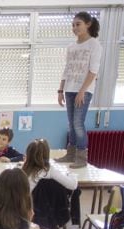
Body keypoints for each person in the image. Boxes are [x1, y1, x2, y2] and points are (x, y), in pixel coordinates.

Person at [56, 12, 102, 168]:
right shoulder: (71, 46)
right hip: (69, 89)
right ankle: (70, 154)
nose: (75, 28)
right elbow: (67, 69)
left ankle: (81, 158)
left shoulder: (94, 44)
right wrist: (60, 90)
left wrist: (82, 91)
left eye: (78, 24)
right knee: (71, 123)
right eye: (73, 25)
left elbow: (93, 71)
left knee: (78, 123)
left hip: (84, 90)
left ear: (88, 24)